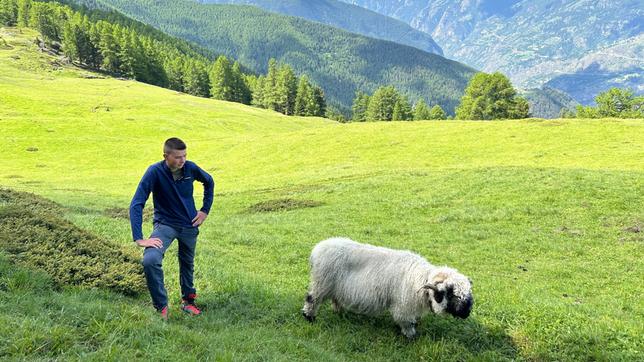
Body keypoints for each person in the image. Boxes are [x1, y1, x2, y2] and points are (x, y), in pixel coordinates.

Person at [129, 137, 214, 320]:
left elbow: (209, 181)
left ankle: (188, 302)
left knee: (187, 263)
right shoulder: (154, 172)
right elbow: (137, 203)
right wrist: (139, 237)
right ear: (165, 156)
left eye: (184, 156)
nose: (182, 160)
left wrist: (205, 210)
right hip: (165, 225)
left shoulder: (190, 168)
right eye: (177, 157)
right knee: (150, 260)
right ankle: (161, 307)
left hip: (189, 225)